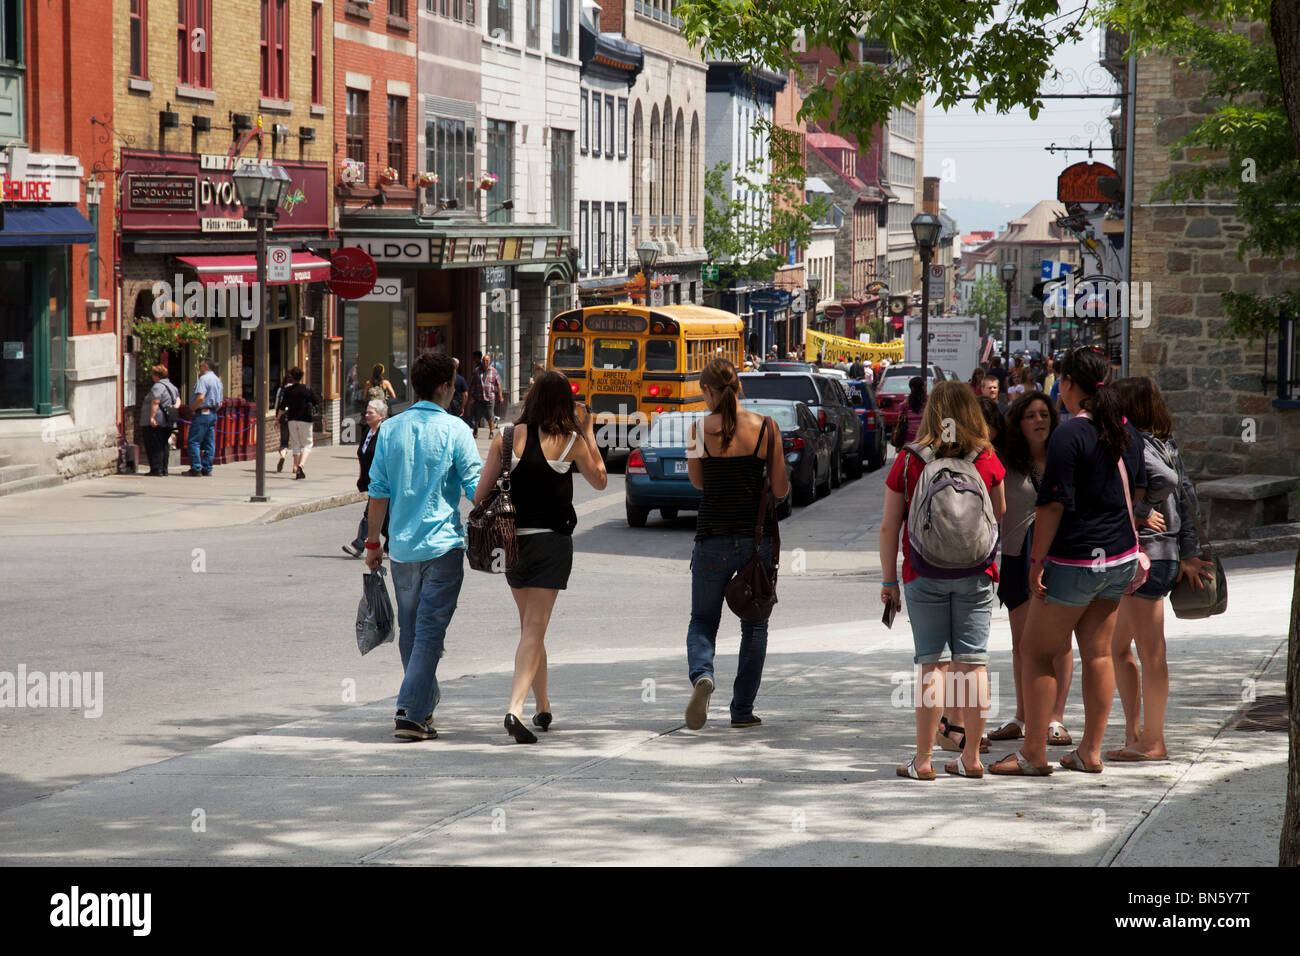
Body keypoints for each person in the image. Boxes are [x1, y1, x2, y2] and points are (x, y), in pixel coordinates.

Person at [990, 347, 1147, 777]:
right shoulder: (1124, 430)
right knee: (1097, 654)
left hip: (1073, 559)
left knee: (1037, 652)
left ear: (1070, 384)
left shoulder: (1069, 435)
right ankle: (1089, 751)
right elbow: (1133, 492)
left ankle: (1033, 753)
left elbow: (1053, 505)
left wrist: (1037, 561)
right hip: (1117, 558)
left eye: (1061, 380)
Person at [880, 380, 1006, 780]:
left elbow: (888, 527)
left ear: (933, 412)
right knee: (973, 664)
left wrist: (888, 581)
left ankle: (923, 760)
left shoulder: (909, 460)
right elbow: (998, 514)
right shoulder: (985, 457)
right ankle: (971, 757)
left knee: (932, 663)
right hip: (976, 572)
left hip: (923, 571)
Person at [475, 370, 607, 743]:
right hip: (551, 543)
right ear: (565, 403)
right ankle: (514, 709)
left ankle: (543, 705)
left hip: (511, 543)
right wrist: (588, 432)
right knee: (534, 629)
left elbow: (479, 495)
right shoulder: (571, 442)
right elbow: (600, 480)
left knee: (531, 628)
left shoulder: (504, 437)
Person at [365, 352, 482, 742]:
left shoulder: (390, 429)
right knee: (429, 634)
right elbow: (475, 489)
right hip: (444, 547)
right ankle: (411, 713)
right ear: (446, 387)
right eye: (454, 385)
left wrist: (372, 542)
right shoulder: (456, 430)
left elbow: (378, 492)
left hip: (401, 550)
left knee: (414, 633)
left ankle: (423, 704)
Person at [1107, 377, 1214, 762]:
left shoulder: (1135, 442)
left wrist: (1137, 510)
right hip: (1164, 554)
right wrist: (1186, 551)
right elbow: (1187, 499)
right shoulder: (1167, 444)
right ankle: (1136, 734)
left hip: (1147, 556)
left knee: (1150, 652)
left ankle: (1152, 740)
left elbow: (1168, 484)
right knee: (1119, 648)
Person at [683, 358, 790, 731]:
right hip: (754, 542)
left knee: (702, 620)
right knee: (755, 625)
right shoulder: (767, 429)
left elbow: (698, 484)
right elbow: (780, 490)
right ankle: (742, 710)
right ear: (739, 386)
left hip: (710, 537)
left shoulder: (698, 429)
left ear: (709, 391)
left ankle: (702, 676)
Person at [987, 392, 1076, 746]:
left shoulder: (1065, 457)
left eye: (1044, 414)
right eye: (1030, 416)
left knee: (1059, 643)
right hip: (1014, 556)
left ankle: (1055, 718)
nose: (1039, 421)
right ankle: (1022, 715)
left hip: (1057, 557)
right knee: (1022, 642)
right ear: (1018, 424)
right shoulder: (1006, 461)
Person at [342, 399, 390, 558]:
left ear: (381, 416)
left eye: (371, 412)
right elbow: (363, 456)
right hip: (371, 480)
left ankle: (359, 544)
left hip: (385, 480)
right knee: (385, 517)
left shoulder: (386, 434)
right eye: (366, 412)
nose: (367, 415)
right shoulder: (367, 432)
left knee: (370, 513)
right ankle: (391, 545)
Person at [277, 367, 319, 480]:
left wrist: (278, 418)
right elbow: (316, 401)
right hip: (305, 419)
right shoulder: (307, 389)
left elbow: (282, 406)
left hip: (292, 419)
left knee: (295, 443)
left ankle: (295, 466)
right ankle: (301, 465)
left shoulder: (288, 390)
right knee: (307, 444)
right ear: (301, 377)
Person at [184, 357, 223, 476]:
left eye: (201, 366)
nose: (199, 369)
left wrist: (193, 408)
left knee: (194, 441)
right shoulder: (217, 380)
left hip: (202, 413)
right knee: (210, 442)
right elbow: (220, 402)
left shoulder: (203, 379)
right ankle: (207, 468)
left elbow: (200, 397)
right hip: (213, 413)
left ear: (206, 367)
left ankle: (196, 467)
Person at [140, 364, 179, 476]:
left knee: (154, 444)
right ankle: (164, 469)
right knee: (164, 445)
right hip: (167, 421)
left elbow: (155, 402)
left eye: (153, 374)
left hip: (158, 420)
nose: (152, 377)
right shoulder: (172, 386)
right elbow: (178, 402)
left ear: (157, 375)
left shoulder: (158, 386)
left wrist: (152, 417)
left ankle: (156, 469)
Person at [469, 352, 503, 438]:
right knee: (477, 415)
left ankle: (491, 432)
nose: (485, 362)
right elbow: (472, 384)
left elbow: (498, 384)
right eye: (484, 360)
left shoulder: (494, 371)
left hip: (490, 397)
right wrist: (471, 396)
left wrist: (501, 396)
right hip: (479, 397)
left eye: (487, 361)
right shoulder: (477, 371)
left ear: (490, 361)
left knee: (490, 415)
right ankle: (475, 430)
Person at [892, 376, 926, 452]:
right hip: (926, 442)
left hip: (908, 442)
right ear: (923, 388)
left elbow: (900, 420)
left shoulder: (904, 405)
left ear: (911, 388)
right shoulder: (929, 404)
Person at [273, 372, 293, 473]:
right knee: (297, 443)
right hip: (295, 418)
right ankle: (297, 466)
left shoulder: (281, 390)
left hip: (284, 418)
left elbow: (277, 405)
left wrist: (277, 418)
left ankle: (283, 455)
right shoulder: (296, 389)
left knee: (284, 441)